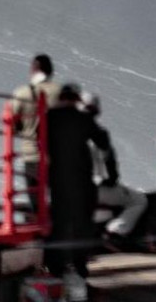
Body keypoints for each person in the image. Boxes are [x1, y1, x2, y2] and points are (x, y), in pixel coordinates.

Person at [44, 84, 108, 298]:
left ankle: (54, 269)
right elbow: (102, 142)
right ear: (76, 99)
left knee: (58, 223)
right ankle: (80, 270)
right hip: (81, 180)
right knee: (82, 225)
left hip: (57, 180)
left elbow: (37, 140)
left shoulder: (48, 117)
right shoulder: (82, 118)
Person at [80, 92, 147, 242]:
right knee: (139, 200)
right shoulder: (99, 133)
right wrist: (111, 181)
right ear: (96, 110)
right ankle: (115, 231)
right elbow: (111, 171)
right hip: (94, 190)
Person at [11, 54, 60, 217]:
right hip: (58, 156)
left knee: (36, 202)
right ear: (51, 71)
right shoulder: (60, 92)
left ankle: (39, 224)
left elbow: (12, 125)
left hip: (32, 155)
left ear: (33, 70)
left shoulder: (22, 93)